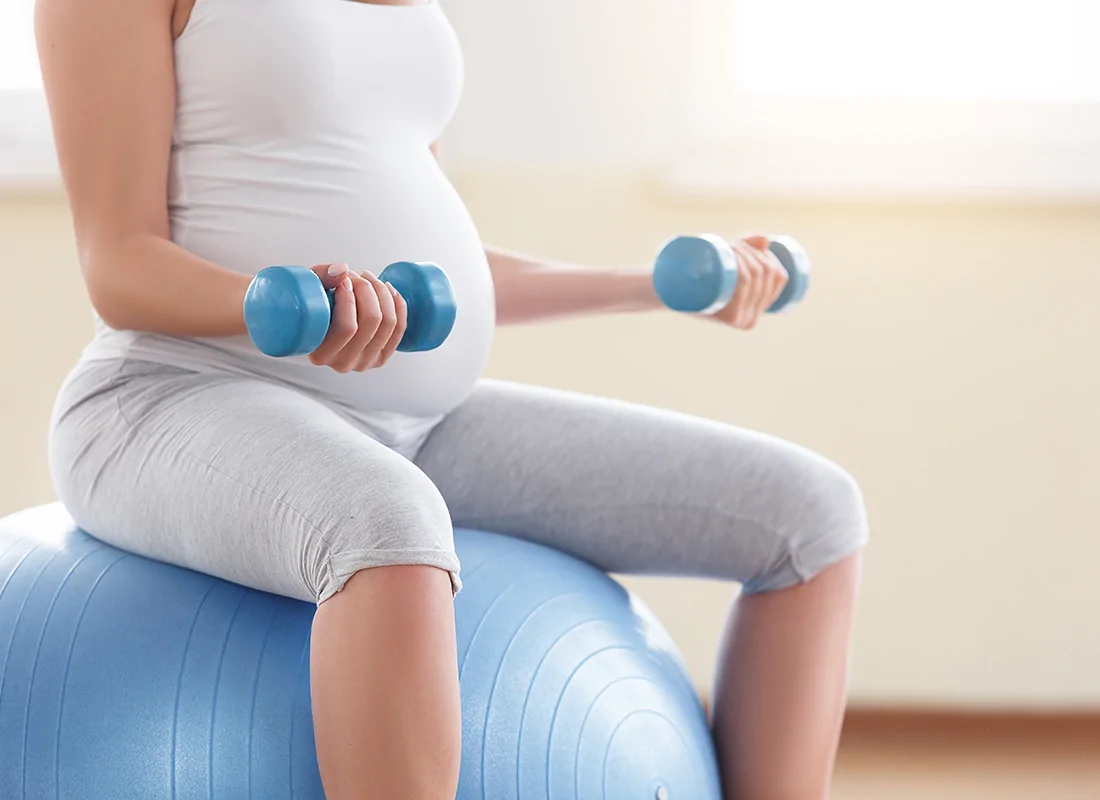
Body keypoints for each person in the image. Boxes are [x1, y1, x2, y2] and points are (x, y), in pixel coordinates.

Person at [35, 0, 868, 797]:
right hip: (173, 400)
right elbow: (120, 262)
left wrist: (653, 285)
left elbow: (441, 266)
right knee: (387, 525)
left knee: (809, 514)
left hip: (417, 427)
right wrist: (276, 299)